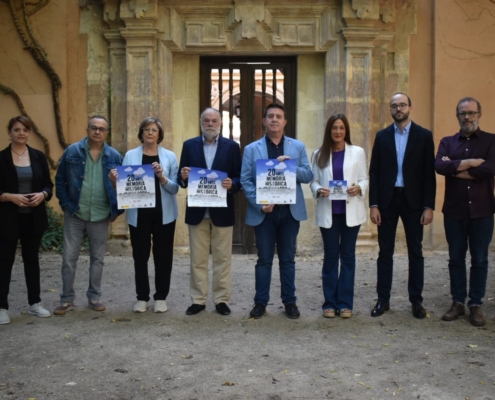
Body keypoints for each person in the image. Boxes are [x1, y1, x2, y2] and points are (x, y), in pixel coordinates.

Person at [241, 103, 313, 319]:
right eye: (270, 116)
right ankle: (260, 303)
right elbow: (245, 179)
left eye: (278, 116)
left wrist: (292, 167)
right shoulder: (251, 149)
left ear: (285, 122)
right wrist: (258, 203)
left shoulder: (297, 147)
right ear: (264, 121)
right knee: (264, 259)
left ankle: (289, 302)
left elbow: (308, 176)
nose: (274, 120)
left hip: (290, 212)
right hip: (264, 212)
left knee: (288, 259)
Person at [369, 93, 436, 319]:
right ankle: (383, 299)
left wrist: (428, 206)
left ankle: (416, 301)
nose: (399, 109)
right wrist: (374, 204)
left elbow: (429, 175)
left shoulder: (424, 136)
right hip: (387, 201)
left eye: (402, 105)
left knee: (415, 251)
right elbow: (375, 172)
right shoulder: (382, 136)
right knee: (385, 252)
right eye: (395, 106)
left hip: (414, 201)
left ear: (410, 107)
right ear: (390, 109)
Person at [435, 97, 495, 327]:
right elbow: (439, 165)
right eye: (463, 113)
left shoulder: (491, 142)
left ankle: (476, 304)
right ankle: (458, 302)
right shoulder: (448, 142)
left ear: (479, 114)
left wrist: (455, 167)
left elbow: (490, 169)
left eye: (471, 113)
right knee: (456, 259)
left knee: (480, 259)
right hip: (455, 211)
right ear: (457, 115)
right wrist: (472, 162)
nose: (467, 117)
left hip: (482, 210)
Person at [54, 115, 123, 315]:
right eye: (94, 128)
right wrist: (66, 204)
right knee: (68, 257)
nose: (97, 132)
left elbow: (124, 187)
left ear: (106, 132)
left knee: (98, 258)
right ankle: (66, 299)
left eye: (102, 129)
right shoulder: (72, 152)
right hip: (75, 213)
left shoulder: (114, 157)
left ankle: (94, 297)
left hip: (100, 215)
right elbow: (60, 180)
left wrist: (116, 209)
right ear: (87, 130)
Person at [109, 117, 178, 313]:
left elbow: (175, 188)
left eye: (154, 130)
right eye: (146, 129)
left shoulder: (169, 157)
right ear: (141, 133)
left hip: (164, 214)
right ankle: (142, 297)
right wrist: (114, 181)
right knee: (140, 256)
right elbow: (123, 186)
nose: (150, 132)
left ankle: (161, 297)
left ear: (159, 134)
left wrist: (162, 177)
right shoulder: (130, 156)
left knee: (163, 257)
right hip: (138, 214)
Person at [178, 108, 241, 316]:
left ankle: (221, 300)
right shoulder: (189, 145)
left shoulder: (232, 147)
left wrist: (232, 183)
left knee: (223, 258)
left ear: (220, 123)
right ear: (201, 122)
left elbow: (239, 178)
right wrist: (184, 176)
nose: (210, 124)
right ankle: (198, 300)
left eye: (214, 120)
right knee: (198, 258)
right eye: (207, 120)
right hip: (197, 211)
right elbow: (181, 180)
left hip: (222, 211)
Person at [310, 114, 368, 319]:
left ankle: (345, 303)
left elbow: (364, 178)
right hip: (329, 212)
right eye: (334, 128)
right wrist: (319, 190)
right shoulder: (319, 154)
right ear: (329, 130)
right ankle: (329, 303)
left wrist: (359, 187)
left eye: (342, 128)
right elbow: (313, 181)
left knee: (348, 257)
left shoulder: (357, 152)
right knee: (331, 257)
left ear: (346, 130)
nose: (338, 132)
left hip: (350, 212)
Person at [0, 116, 54, 325]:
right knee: (5, 262)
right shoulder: (2, 158)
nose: (21, 133)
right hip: (7, 219)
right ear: (9, 133)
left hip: (33, 217)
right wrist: (9, 197)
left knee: (32, 261)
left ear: (29, 133)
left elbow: (49, 186)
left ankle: (35, 303)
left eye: (25, 130)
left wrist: (43, 194)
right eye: (16, 130)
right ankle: (2, 307)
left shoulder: (38, 157)